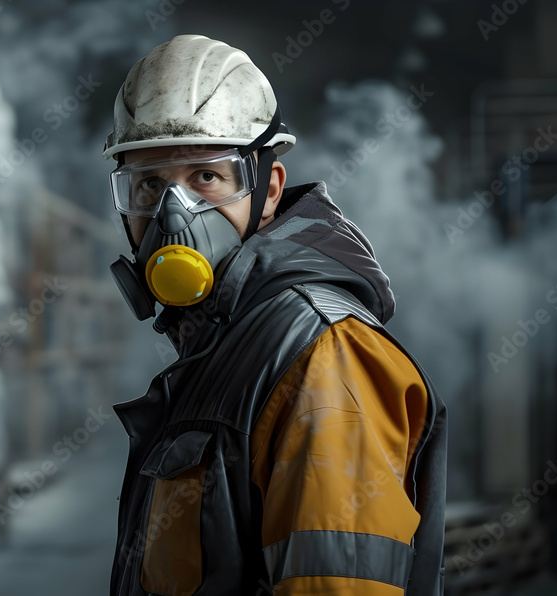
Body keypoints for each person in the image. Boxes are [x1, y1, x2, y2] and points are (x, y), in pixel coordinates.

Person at [103, 34, 447, 595]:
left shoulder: (323, 357)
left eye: (206, 177)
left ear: (267, 191)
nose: (174, 213)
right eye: (147, 185)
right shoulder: (224, 344)